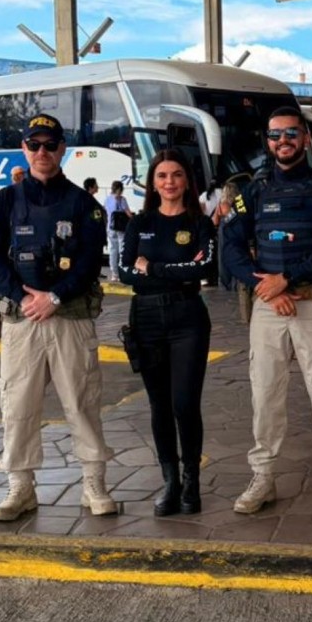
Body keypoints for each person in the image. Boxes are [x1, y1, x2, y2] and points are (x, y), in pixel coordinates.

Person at [0, 113, 117, 522]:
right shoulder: (3, 202)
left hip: (70, 317)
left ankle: (94, 483)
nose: (42, 152)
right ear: (24, 149)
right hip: (22, 319)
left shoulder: (84, 205)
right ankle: (20, 487)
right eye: (34, 145)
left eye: (50, 145)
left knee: (82, 402)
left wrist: (55, 296)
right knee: (17, 405)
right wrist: (23, 297)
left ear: (62, 150)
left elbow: (89, 263)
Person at [222, 106, 312, 520]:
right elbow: (230, 244)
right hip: (269, 307)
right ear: (267, 141)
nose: (283, 141)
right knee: (265, 397)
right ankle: (263, 476)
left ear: (306, 138)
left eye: (291, 134)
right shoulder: (254, 190)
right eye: (275, 135)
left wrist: (287, 279)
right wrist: (265, 286)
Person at [119, 149, 215, 515]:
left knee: (184, 404)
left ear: (187, 181)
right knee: (159, 405)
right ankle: (170, 482)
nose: (169, 182)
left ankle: (192, 481)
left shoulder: (199, 223)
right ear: (153, 182)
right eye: (162, 175)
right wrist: (173, 269)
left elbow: (203, 269)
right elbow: (125, 271)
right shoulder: (139, 222)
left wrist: (153, 267)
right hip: (145, 318)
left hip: (187, 317)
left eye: (176, 174)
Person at [104, 180, 132, 282]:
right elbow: (128, 213)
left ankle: (114, 274)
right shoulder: (122, 199)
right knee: (121, 250)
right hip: (120, 229)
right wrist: (134, 219)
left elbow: (105, 212)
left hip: (110, 228)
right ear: (119, 189)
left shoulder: (107, 199)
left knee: (112, 251)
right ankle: (121, 273)